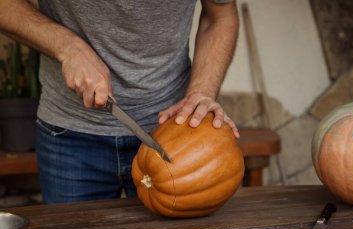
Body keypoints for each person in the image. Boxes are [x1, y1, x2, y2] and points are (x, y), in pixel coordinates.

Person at [0, 0, 239, 203]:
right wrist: (67, 47)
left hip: (172, 132)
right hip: (69, 134)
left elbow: (220, 14)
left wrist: (201, 92)